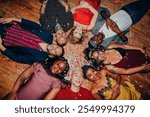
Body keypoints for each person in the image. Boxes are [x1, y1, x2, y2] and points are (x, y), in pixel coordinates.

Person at [84, 43, 150, 74]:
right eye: (97, 57)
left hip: (140, 54)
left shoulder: (111, 46)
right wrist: (143, 67)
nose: (100, 55)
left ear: (99, 50)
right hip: (140, 65)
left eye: (98, 52)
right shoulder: (109, 67)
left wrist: (140, 49)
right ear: (97, 61)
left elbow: (125, 46)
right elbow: (126, 71)